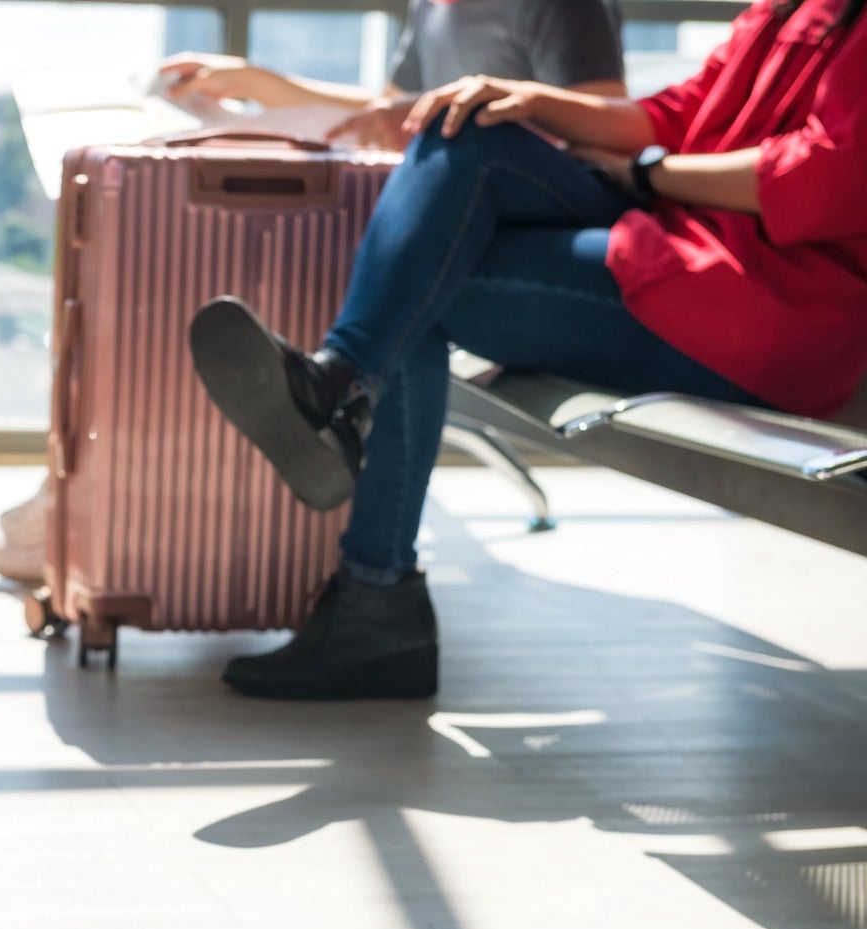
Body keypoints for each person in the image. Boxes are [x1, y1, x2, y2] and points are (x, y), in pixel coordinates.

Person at [185, 0, 867, 701]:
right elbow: (680, 110)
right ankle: (338, 398)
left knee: (418, 283)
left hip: (761, 312)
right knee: (465, 134)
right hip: (687, 253)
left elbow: (824, 177)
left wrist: (646, 176)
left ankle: (364, 536)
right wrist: (528, 101)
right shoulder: (794, 5)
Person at [0, 0, 626, 584]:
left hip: (550, 219)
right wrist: (259, 87)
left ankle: (329, 389)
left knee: (397, 258)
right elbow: (383, 110)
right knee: (261, 265)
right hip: (467, 213)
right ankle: (365, 576)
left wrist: (459, 119)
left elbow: (608, 132)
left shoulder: (561, 4)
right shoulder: (435, 5)